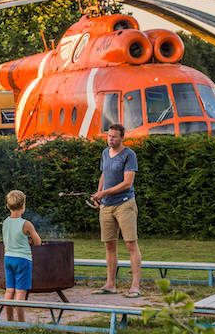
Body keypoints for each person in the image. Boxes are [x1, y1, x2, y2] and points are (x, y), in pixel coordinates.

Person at [90, 123, 141, 298]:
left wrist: (104, 192)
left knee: (130, 244)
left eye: (114, 137)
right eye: (109, 136)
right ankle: (110, 284)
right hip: (106, 205)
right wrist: (99, 195)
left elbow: (128, 183)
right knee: (109, 245)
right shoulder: (105, 153)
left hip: (125, 203)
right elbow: (104, 175)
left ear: (121, 138)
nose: (110, 139)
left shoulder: (129, 155)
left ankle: (135, 286)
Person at [2, 190, 41, 322]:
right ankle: (21, 323)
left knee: (9, 291)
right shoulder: (26, 224)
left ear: (8, 206)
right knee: (20, 293)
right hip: (23, 260)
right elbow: (38, 242)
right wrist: (30, 238)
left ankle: (9, 320)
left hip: (8, 258)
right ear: (23, 206)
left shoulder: (5, 222)